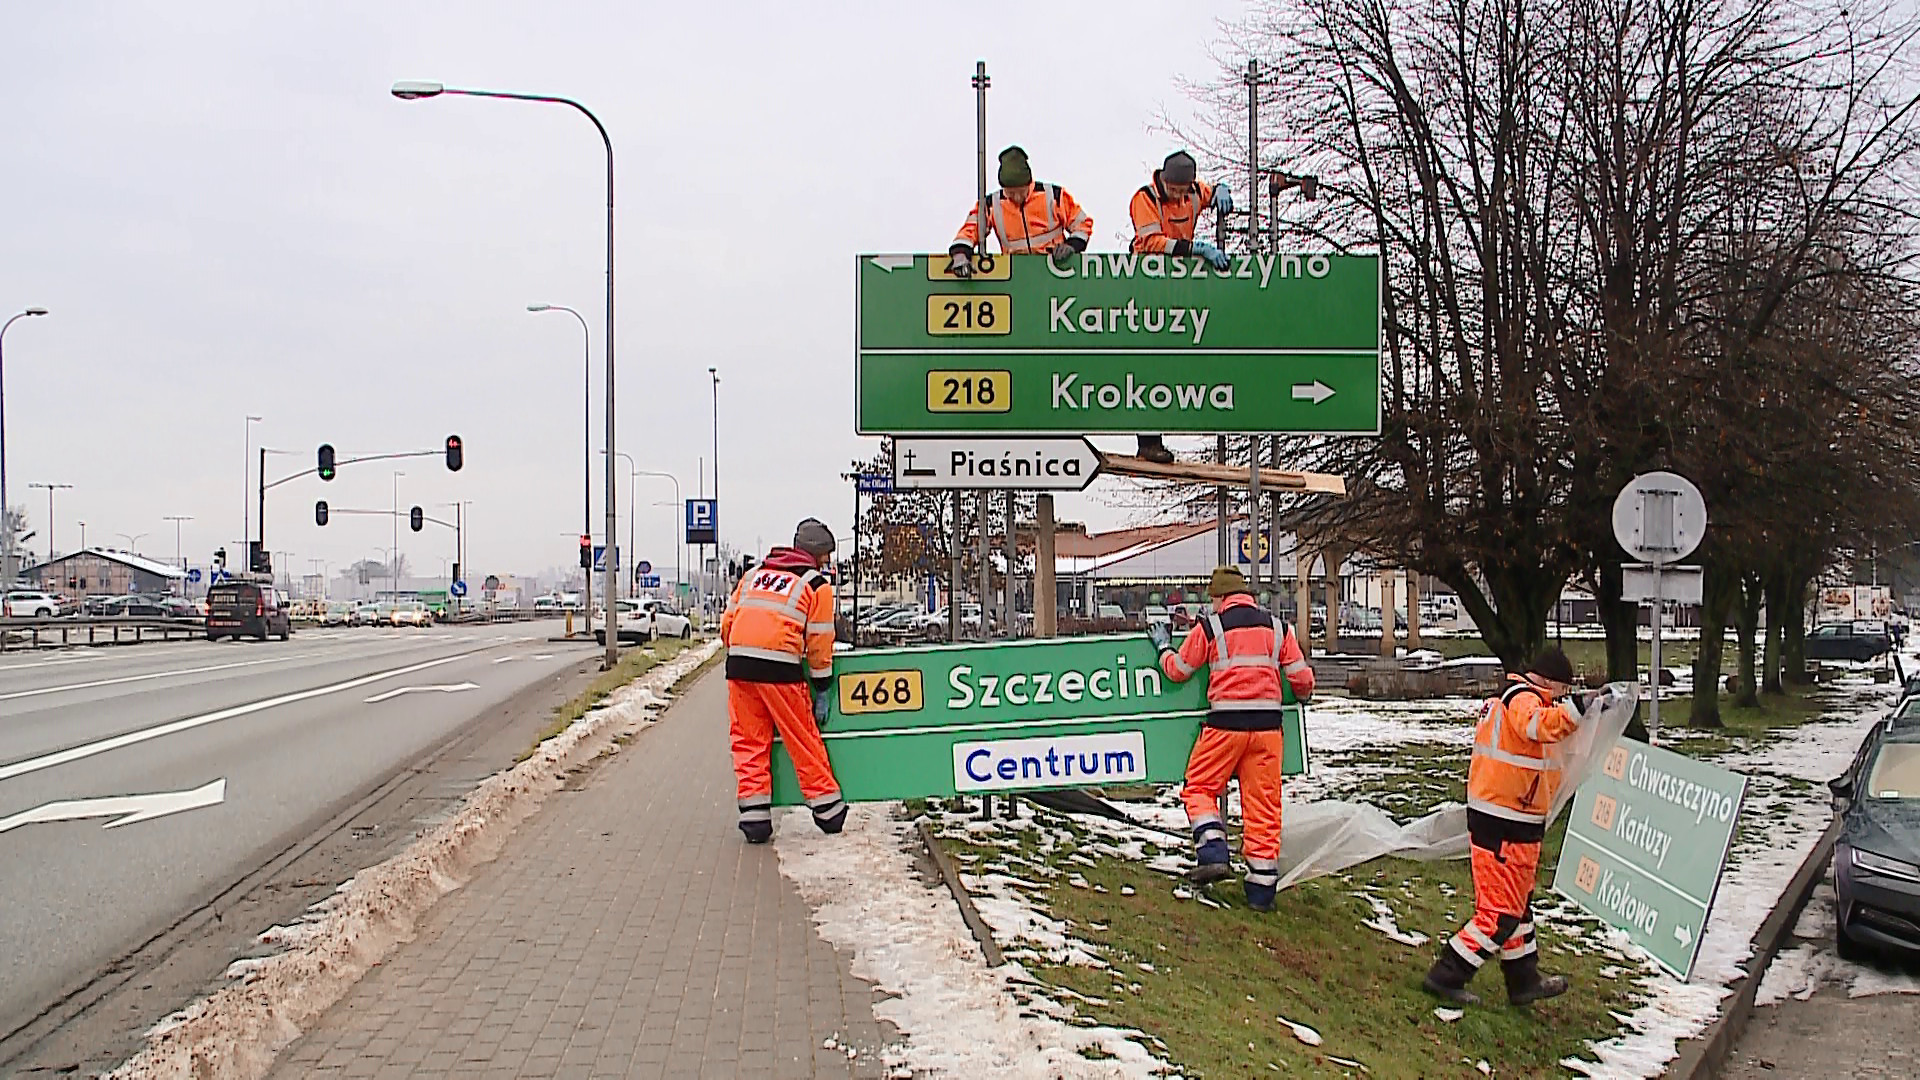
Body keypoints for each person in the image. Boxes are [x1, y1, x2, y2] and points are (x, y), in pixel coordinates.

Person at [1423, 648, 1588, 1006]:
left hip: (1512, 819)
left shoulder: (1517, 698)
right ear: (1547, 681)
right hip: (1504, 821)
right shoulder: (1523, 700)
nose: (1562, 697)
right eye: (1562, 689)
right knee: (1500, 913)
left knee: (1517, 906)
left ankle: (1523, 980)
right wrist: (1577, 710)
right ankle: (1447, 974)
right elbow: (1537, 726)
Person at [1150, 566, 1314, 912]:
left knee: (1199, 788)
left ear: (1219, 598)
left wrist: (1163, 646)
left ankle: (1212, 849)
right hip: (1268, 731)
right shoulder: (1278, 628)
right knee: (1264, 807)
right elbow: (1301, 678)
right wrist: (1300, 694)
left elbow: (1178, 671)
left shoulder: (1210, 627)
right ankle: (1261, 892)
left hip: (1225, 725)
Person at [719, 518, 846, 843]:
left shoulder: (753, 576)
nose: (828, 562)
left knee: (748, 742)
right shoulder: (816, 585)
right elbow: (819, 641)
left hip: (739, 664)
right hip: (781, 667)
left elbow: (728, 622)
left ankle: (755, 819)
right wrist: (821, 685)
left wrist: (739, 649)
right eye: (827, 556)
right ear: (818, 555)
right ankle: (828, 810)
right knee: (802, 737)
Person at [1126, 150, 1233, 464]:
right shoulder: (1145, 198)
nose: (1177, 194)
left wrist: (1222, 189)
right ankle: (1148, 441)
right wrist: (1195, 249)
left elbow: (1211, 192)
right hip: (1144, 281)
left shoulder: (1193, 192)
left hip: (1178, 280)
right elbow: (1150, 243)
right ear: (1164, 180)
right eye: (1173, 188)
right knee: (1148, 359)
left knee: (1180, 352)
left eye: (1182, 189)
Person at [948, 146, 1092, 277]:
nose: (1017, 198)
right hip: (1016, 275)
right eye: (1011, 193)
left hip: (1054, 272)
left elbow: (1082, 224)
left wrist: (1071, 245)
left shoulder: (1053, 196)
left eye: (1021, 192)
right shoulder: (992, 205)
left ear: (1029, 183)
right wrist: (961, 253)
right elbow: (970, 229)